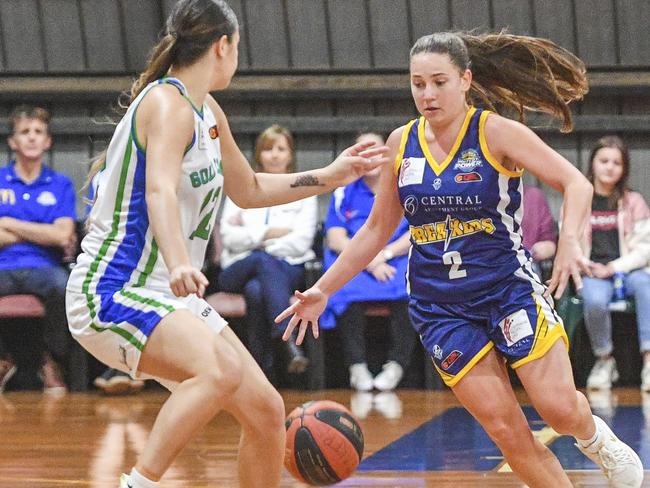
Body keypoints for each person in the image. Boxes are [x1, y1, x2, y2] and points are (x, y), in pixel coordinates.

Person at [278, 32, 644, 488]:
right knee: (508, 433)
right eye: (417, 84)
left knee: (559, 408)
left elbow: (577, 184)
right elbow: (375, 229)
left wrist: (569, 240)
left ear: (466, 79)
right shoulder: (401, 142)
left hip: (507, 291)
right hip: (440, 307)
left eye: (438, 81)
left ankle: (598, 442)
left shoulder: (494, 131)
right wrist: (323, 289)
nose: (427, 94)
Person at [64, 2, 389, 487]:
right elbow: (159, 190)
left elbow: (250, 189)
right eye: (238, 48)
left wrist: (330, 175)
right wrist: (178, 264)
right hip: (111, 289)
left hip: (165, 293)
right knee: (216, 372)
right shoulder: (166, 104)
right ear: (223, 46)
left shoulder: (206, 111)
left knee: (265, 410)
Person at [218, 124, 317, 378]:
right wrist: (269, 234)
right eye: (268, 149)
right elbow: (229, 238)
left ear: (290, 155)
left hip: (288, 267)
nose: (274, 155)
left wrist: (252, 238)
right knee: (261, 264)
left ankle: (261, 369)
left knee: (257, 290)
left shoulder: (305, 192)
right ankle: (288, 341)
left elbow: (301, 241)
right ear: (258, 155)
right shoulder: (240, 189)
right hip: (237, 268)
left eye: (281, 149)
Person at [323, 131, 417, 391]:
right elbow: (335, 238)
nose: (370, 156)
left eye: (375, 149)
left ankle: (397, 365)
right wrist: (368, 261)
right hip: (358, 261)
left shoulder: (404, 187)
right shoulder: (344, 192)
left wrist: (383, 256)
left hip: (395, 258)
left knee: (412, 288)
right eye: (363, 150)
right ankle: (357, 366)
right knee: (341, 287)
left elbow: (416, 232)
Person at [0, 106, 76, 394]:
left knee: (64, 287)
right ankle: (2, 360)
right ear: (13, 142)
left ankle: (51, 362)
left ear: (47, 141)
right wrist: (38, 232)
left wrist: (8, 223)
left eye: (38, 132)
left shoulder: (60, 184)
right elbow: (52, 233)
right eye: (24, 132)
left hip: (46, 268)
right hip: (3, 266)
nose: (31, 138)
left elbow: (62, 234)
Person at [580, 136, 650, 391]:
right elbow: (569, 242)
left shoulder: (634, 202)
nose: (609, 167)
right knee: (594, 300)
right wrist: (587, 266)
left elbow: (645, 249)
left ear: (624, 168)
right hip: (592, 271)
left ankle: (648, 361)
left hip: (627, 271)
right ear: (593, 163)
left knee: (646, 286)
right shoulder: (579, 199)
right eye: (604, 161)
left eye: (616, 163)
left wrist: (614, 267)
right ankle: (604, 360)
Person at [521, 184, 557, 279]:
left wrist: (544, 248)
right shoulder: (480, 199)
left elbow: (549, 242)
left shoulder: (533, 197)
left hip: (527, 265)